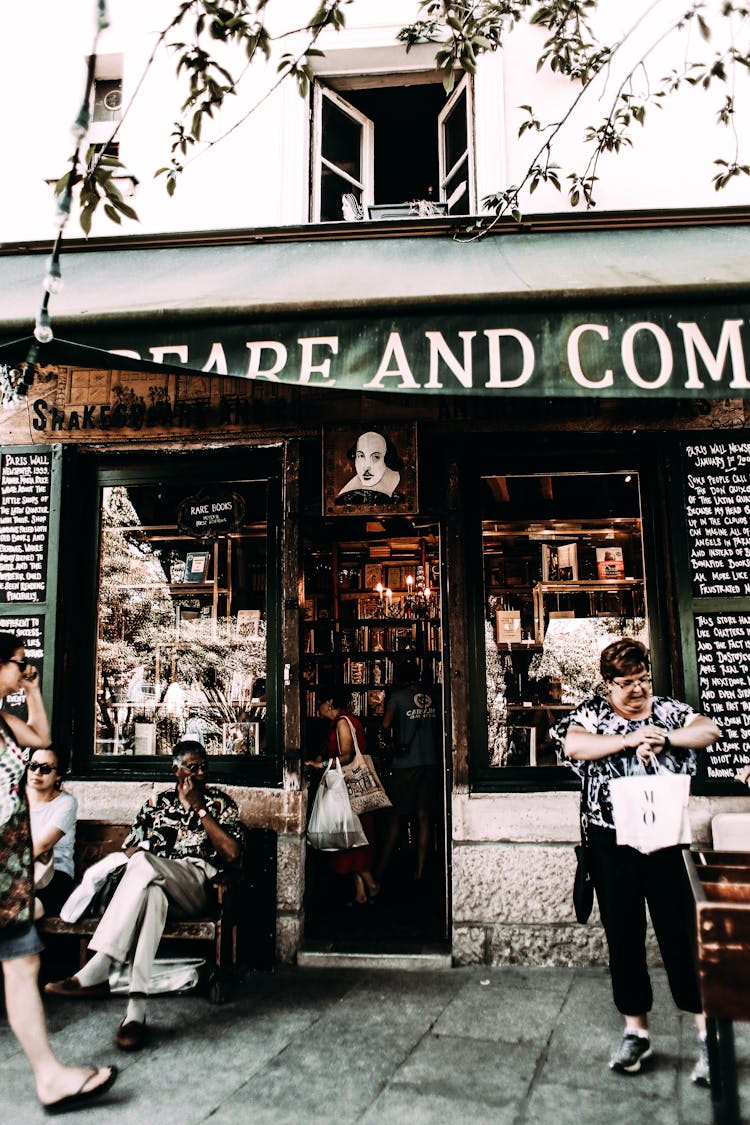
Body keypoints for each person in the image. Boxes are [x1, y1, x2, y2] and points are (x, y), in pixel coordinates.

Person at [550, 637, 721, 1084]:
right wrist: (628, 741)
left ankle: (708, 1037)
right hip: (612, 846)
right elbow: (574, 745)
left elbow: (709, 730)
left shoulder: (666, 710)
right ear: (608, 684)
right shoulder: (591, 714)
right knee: (623, 938)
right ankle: (636, 1032)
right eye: (626, 683)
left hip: (666, 845)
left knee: (683, 938)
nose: (638, 690)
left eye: (643, 679)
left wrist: (662, 737)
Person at [46, 739, 242, 1053]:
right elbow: (129, 848)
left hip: (195, 885)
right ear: (176, 770)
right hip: (155, 881)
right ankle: (135, 1013)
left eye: (205, 766)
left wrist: (199, 808)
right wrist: (147, 852)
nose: (201, 772)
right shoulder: (155, 803)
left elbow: (232, 853)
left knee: (142, 866)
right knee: (150, 892)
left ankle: (101, 964)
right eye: (193, 767)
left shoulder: (220, 804)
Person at [0, 631, 118, 1114]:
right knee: (20, 963)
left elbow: (42, 738)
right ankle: (49, 1076)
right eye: (18, 663)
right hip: (5, 864)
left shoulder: (5, 721)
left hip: (10, 867)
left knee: (23, 962)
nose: (25, 669)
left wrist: (31, 690)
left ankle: (49, 1076)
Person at [307, 689, 380, 905]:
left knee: (352, 838)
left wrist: (319, 764)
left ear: (329, 702)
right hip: (349, 789)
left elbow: (347, 755)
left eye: (319, 702)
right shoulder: (345, 721)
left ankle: (373, 885)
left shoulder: (342, 722)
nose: (316, 707)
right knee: (353, 838)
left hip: (349, 789)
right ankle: (361, 893)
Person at [377, 660, 441, 883]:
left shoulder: (396, 698)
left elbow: (385, 727)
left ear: (400, 677)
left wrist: (391, 744)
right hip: (431, 762)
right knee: (424, 817)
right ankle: (420, 871)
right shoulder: (434, 696)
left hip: (405, 764)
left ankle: (381, 871)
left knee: (395, 817)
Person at [26, 745, 77, 919]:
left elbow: (42, 845)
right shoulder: (14, 799)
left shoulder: (66, 803)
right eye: (33, 766)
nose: (37, 773)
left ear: (59, 775)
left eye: (45, 769)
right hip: (16, 871)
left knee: (25, 912)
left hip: (53, 874)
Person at [335, 430, 403, 506]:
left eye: (376, 457)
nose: (366, 467)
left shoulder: (398, 500)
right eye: (361, 456)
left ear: (386, 459)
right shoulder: (343, 501)